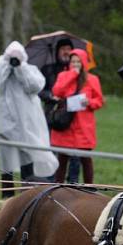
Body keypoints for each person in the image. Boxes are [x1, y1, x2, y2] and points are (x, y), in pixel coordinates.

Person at [0, 41, 59, 198]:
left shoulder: (30, 69)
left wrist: (20, 68)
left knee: (27, 156)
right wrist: (6, 66)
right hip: (4, 123)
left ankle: (26, 194)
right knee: (6, 161)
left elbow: (35, 86)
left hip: (25, 125)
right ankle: (7, 195)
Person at [50, 49, 103, 184]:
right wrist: (72, 75)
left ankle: (89, 189)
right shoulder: (63, 76)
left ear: (84, 63)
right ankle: (58, 188)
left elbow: (99, 101)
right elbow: (57, 91)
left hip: (84, 126)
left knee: (86, 159)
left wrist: (89, 102)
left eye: (78, 61)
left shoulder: (92, 79)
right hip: (66, 125)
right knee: (62, 159)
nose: (75, 64)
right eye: (73, 61)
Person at [38, 38, 81, 183]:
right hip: (52, 114)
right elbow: (40, 91)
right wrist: (51, 96)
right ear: (57, 51)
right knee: (51, 148)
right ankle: (52, 180)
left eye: (69, 48)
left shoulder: (78, 72)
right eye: (63, 49)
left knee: (74, 152)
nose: (66, 52)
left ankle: (73, 181)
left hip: (72, 115)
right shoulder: (47, 70)